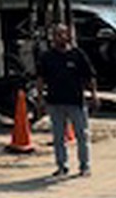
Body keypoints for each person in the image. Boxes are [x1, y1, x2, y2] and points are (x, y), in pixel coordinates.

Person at [37, 23, 98, 178]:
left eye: (62, 34)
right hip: (55, 102)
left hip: (75, 101)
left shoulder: (77, 55)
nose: (59, 37)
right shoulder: (47, 57)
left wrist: (93, 95)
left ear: (68, 36)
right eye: (56, 34)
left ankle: (84, 166)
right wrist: (40, 99)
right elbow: (40, 79)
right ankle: (62, 166)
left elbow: (89, 76)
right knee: (58, 137)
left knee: (81, 135)